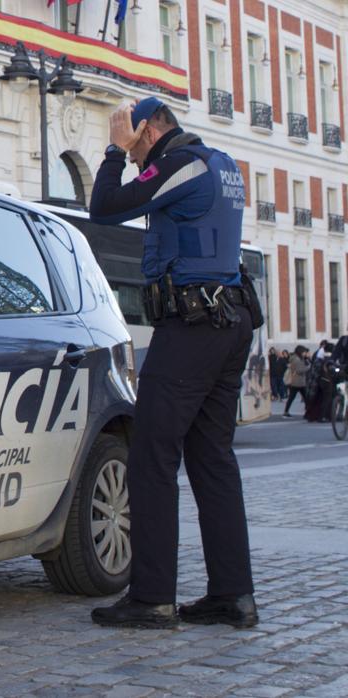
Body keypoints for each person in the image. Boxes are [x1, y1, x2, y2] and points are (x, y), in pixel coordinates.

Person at [86, 97, 258, 629]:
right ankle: (233, 595)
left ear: (149, 128)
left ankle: (152, 597)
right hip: (229, 324)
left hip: (193, 327)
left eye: (136, 141)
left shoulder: (181, 164)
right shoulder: (222, 163)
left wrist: (115, 153)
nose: (138, 159)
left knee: (151, 456)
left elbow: (107, 207)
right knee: (213, 461)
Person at [284, 346, 309, 417]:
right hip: (298, 382)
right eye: (304, 352)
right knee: (306, 398)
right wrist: (308, 368)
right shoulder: (297, 359)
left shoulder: (294, 358)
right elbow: (300, 370)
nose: (305, 353)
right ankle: (308, 411)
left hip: (295, 381)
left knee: (291, 398)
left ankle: (286, 411)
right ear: (300, 352)